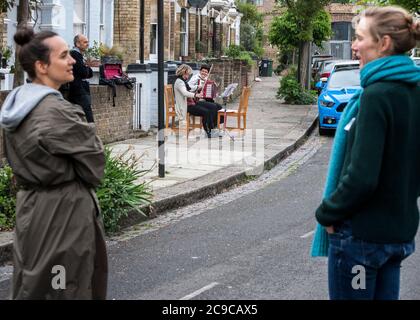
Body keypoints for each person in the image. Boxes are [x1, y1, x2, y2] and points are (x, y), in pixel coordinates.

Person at [312, 6, 420, 300]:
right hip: (398, 235)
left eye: (360, 38)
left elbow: (362, 176)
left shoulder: (377, 95)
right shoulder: (414, 90)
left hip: (361, 241)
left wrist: (327, 213)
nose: (354, 46)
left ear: (383, 43)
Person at [0, 27, 108, 299]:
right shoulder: (56, 112)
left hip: (32, 211)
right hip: (62, 217)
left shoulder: (17, 105)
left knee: (35, 283)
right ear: (42, 66)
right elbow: (95, 165)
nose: (72, 60)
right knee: (62, 286)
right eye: (63, 56)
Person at [173, 64, 219, 138]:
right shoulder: (179, 82)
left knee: (213, 106)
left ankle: (213, 128)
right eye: (187, 74)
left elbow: (190, 88)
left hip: (192, 102)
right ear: (183, 73)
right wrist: (196, 95)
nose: (188, 76)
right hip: (186, 105)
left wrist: (198, 87)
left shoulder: (183, 81)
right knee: (206, 112)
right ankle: (208, 131)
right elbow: (185, 93)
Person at [68, 34, 94, 123]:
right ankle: (91, 133)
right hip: (79, 89)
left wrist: (86, 68)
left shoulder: (80, 55)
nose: (87, 44)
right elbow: (83, 72)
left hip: (81, 88)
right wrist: (87, 67)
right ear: (77, 44)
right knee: (87, 115)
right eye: (85, 42)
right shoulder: (75, 54)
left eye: (88, 42)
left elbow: (90, 73)